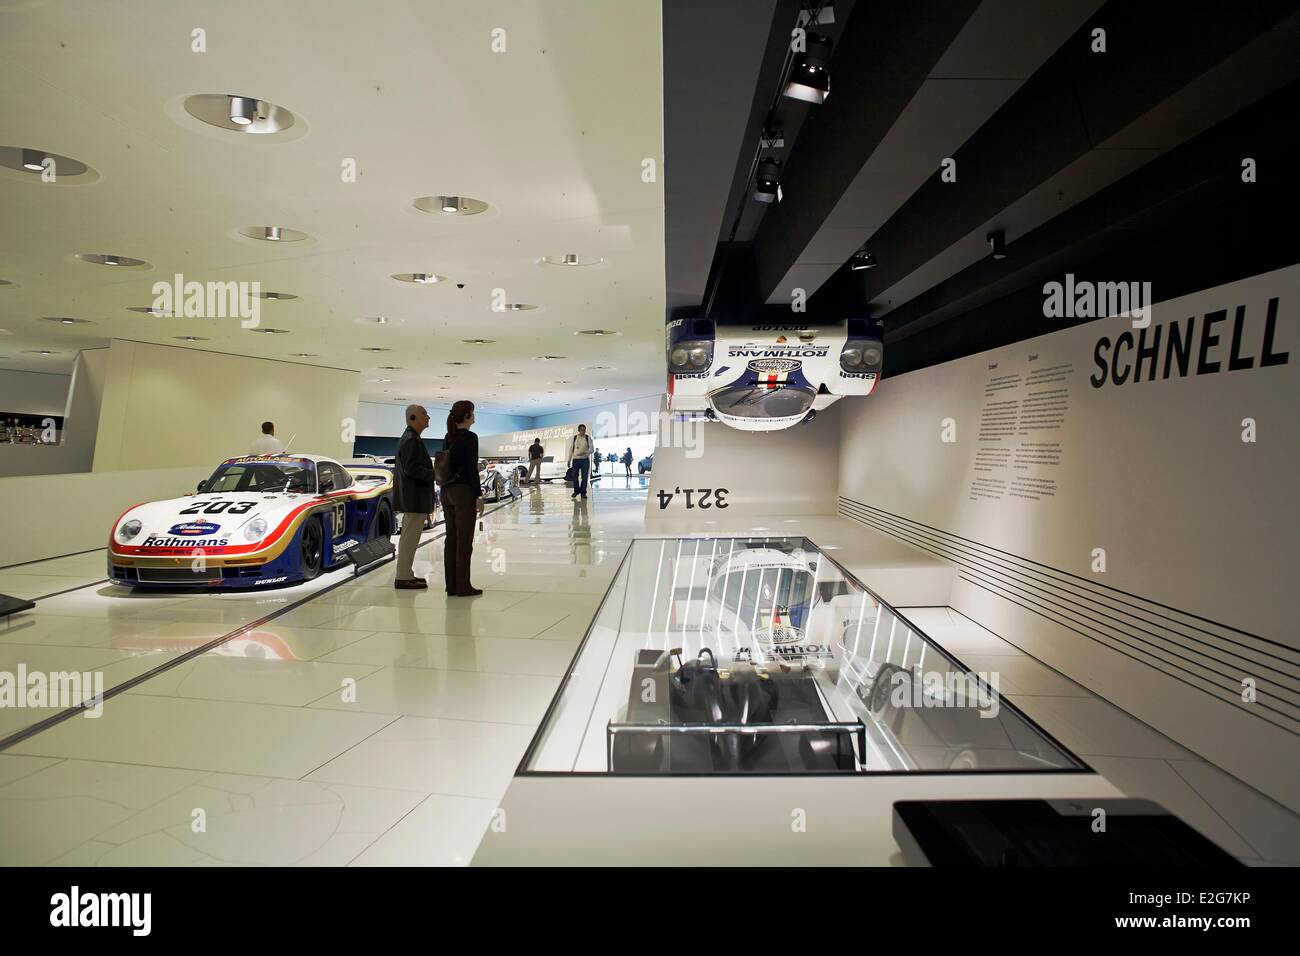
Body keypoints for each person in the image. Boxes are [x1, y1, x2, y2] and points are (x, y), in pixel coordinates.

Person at [441, 400, 484, 596]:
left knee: (451, 539)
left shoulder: (448, 437)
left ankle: (451, 585)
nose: (474, 416)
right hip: (463, 492)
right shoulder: (470, 438)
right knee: (464, 540)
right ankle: (463, 586)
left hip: (447, 491)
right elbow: (471, 469)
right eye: (473, 413)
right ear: (467, 416)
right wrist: (478, 495)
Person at [393, 404, 435, 590]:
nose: (428, 417)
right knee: (409, 538)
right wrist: (434, 473)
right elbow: (412, 469)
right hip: (414, 497)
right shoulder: (411, 440)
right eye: (424, 414)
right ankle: (403, 576)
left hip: (413, 497)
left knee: (409, 537)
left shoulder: (411, 438)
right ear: (413, 418)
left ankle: (406, 574)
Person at [565, 424, 593, 499]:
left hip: (585, 460)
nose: (583, 431)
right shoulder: (575, 438)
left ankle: (583, 493)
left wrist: (585, 452)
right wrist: (569, 459)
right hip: (576, 460)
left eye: (584, 430)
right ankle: (576, 491)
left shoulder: (588, 438)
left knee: (584, 477)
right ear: (578, 430)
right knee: (574, 476)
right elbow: (571, 449)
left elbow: (592, 449)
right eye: (581, 430)